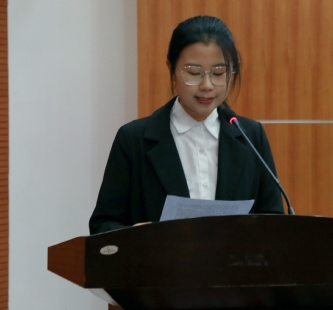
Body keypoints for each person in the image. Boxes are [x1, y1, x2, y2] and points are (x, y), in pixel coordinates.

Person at [89, 15, 284, 235]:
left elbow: (274, 223)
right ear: (172, 70)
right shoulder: (134, 139)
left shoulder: (251, 136)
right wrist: (135, 236)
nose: (207, 85)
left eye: (219, 73)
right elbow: (102, 225)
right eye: (194, 73)